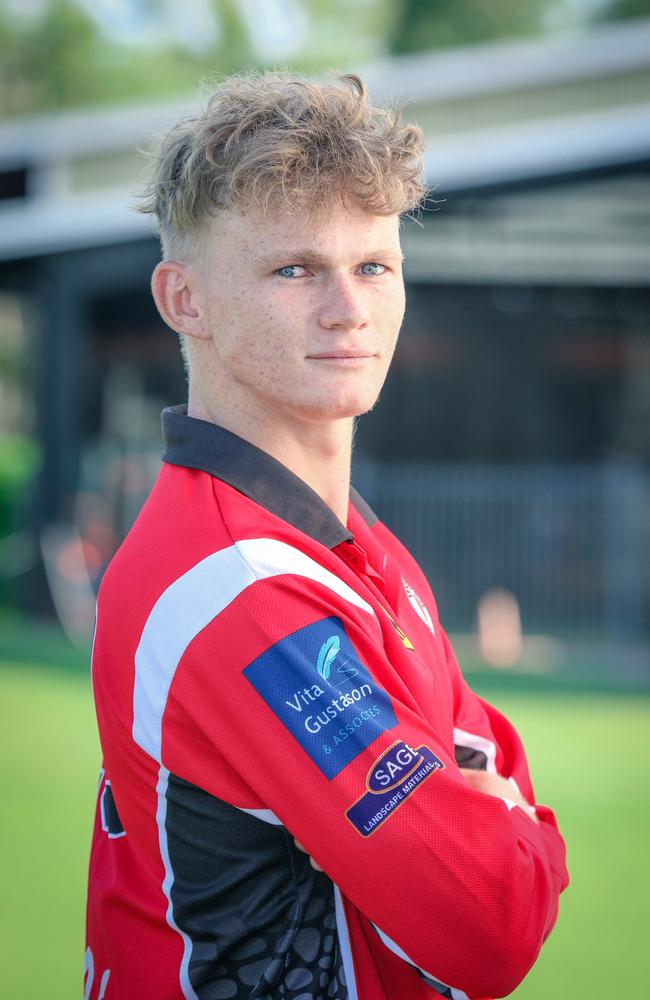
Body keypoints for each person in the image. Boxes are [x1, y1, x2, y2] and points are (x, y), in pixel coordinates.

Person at [85, 72, 568, 1000]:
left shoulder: (357, 545)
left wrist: (490, 803)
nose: (349, 308)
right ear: (184, 300)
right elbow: (491, 923)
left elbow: (493, 758)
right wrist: (507, 821)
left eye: (374, 265)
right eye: (294, 269)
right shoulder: (241, 589)